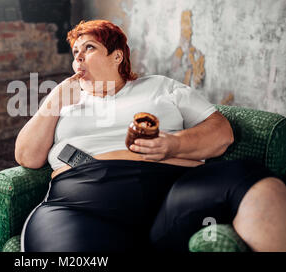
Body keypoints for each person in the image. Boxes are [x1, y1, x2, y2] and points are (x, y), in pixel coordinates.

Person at [15, 19, 286, 252]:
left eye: (89, 48)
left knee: (258, 184)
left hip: (174, 190)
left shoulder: (160, 86)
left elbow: (221, 134)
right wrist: (54, 99)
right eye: (75, 52)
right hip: (81, 203)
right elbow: (27, 156)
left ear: (117, 56)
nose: (79, 57)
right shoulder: (65, 102)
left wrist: (174, 144)